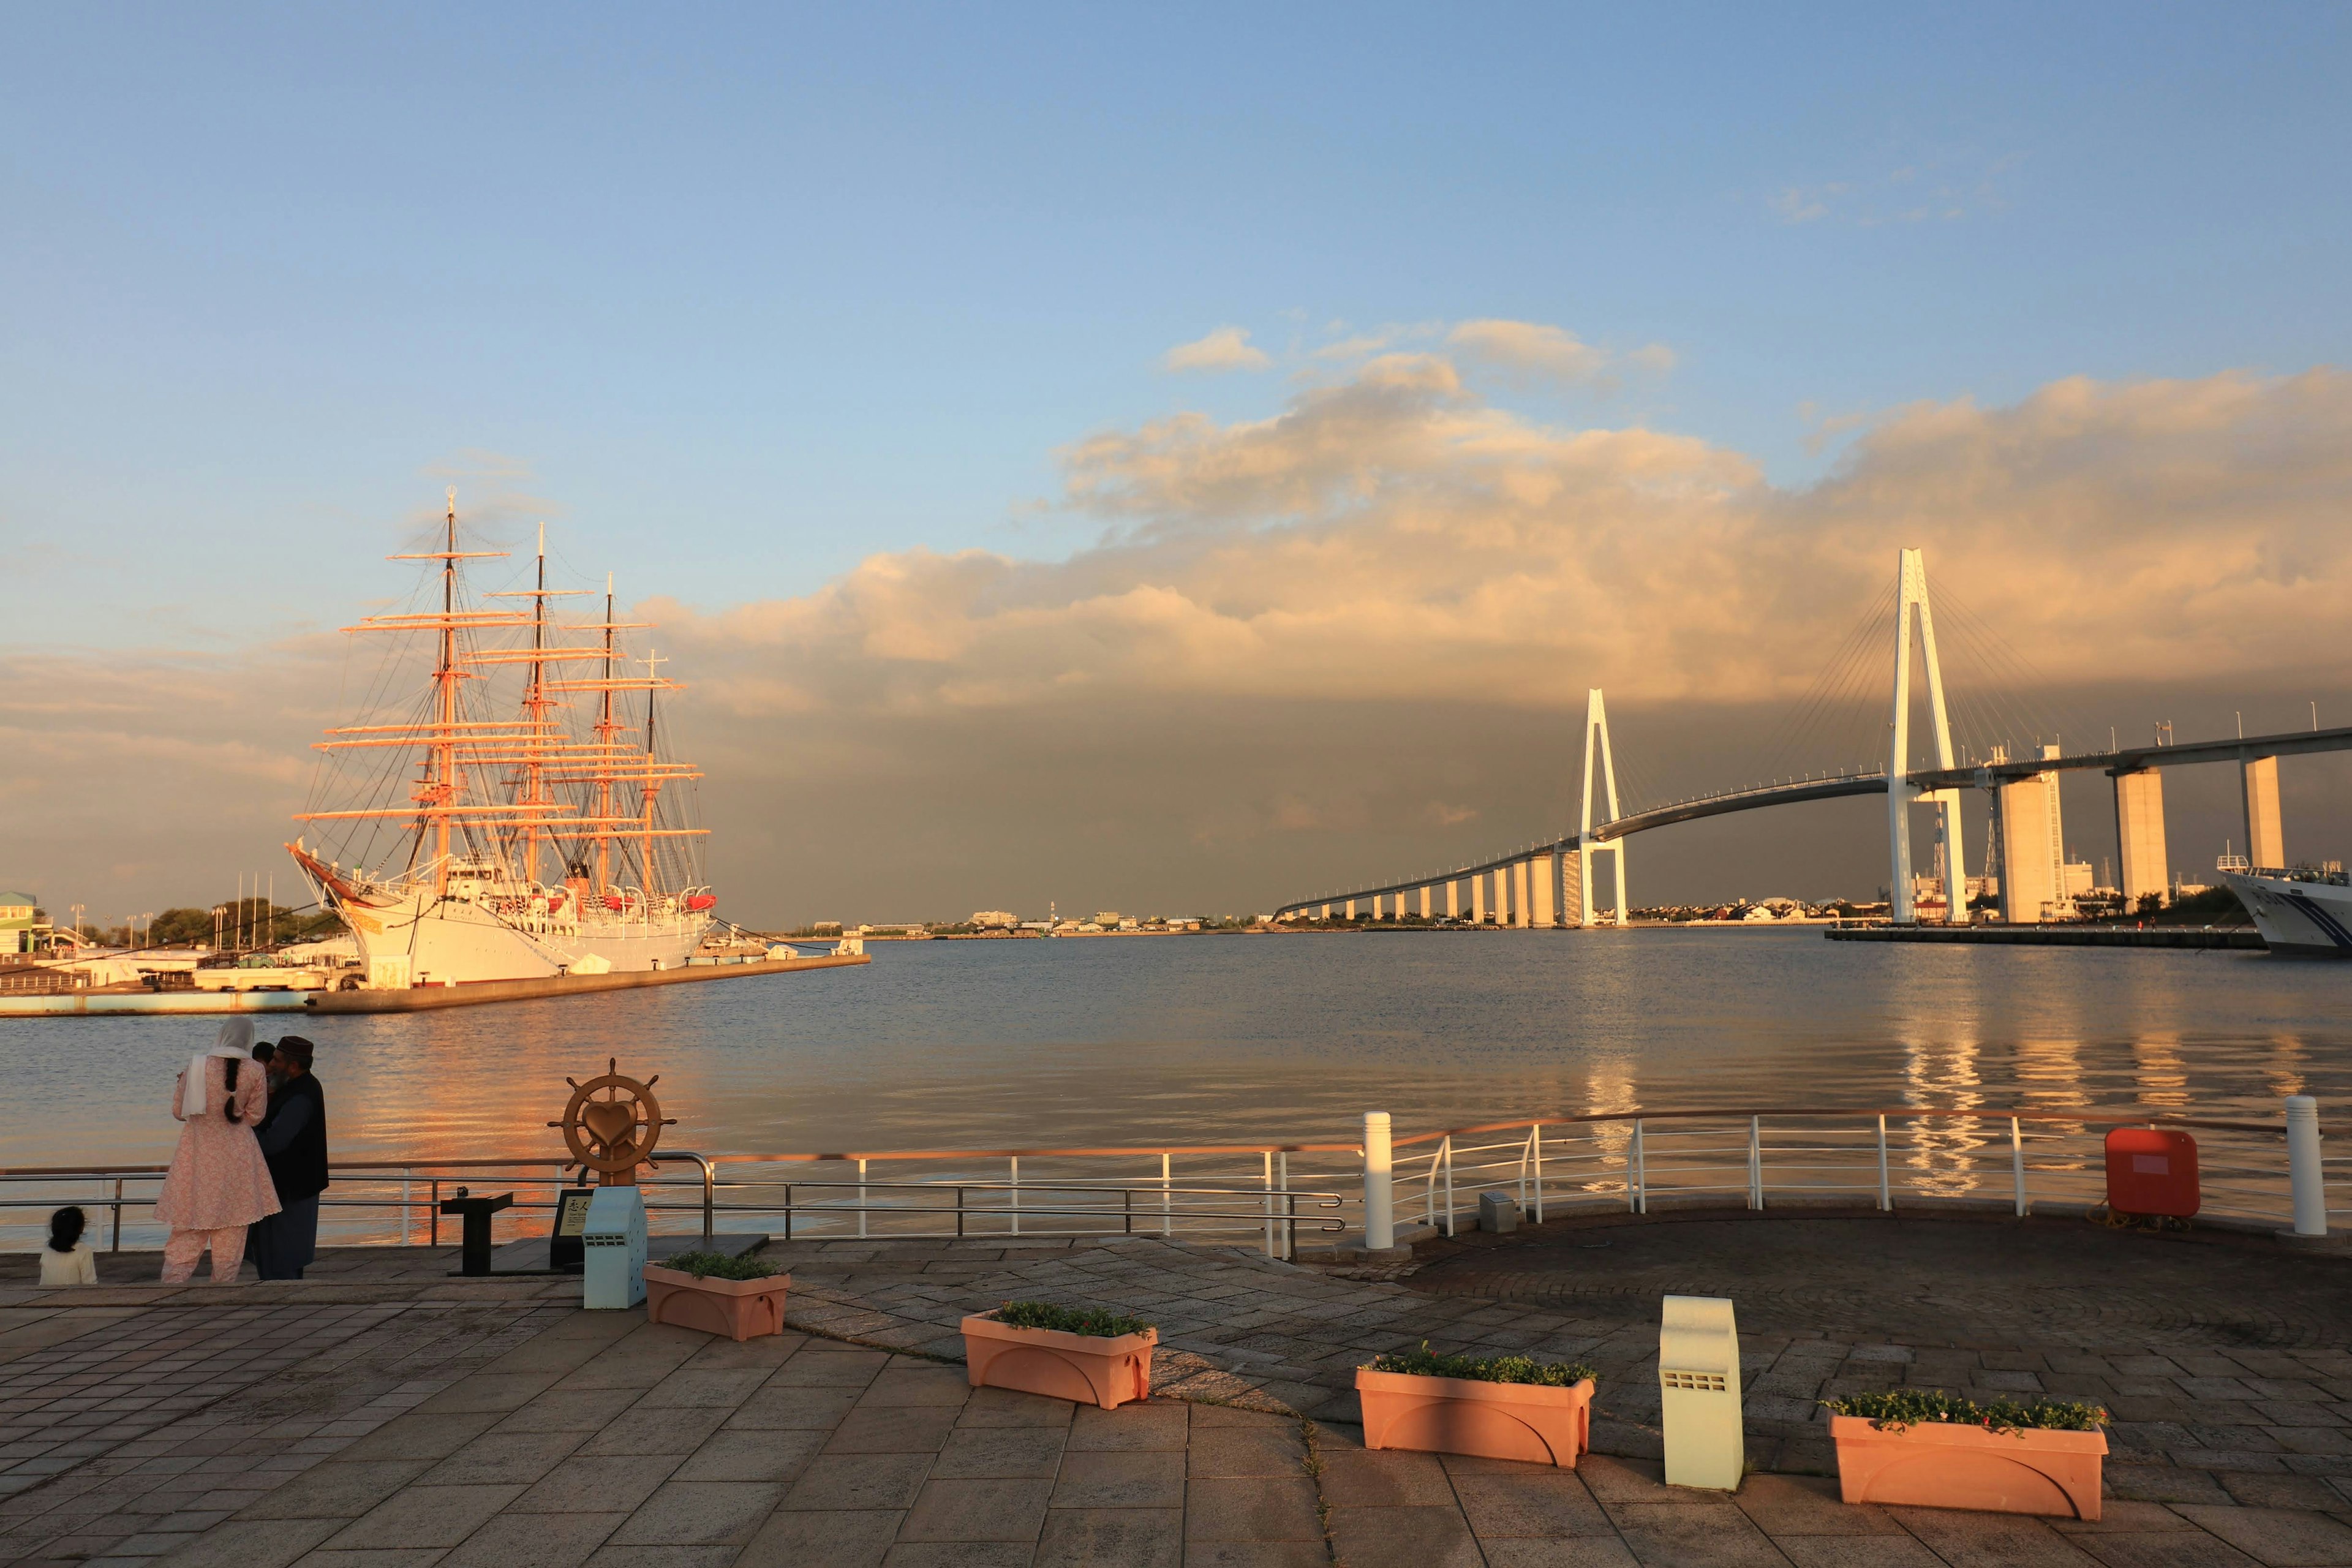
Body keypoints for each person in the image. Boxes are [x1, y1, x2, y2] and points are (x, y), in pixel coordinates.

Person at [154, 1019, 279, 1283]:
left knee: (187, 1227)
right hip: (238, 1157)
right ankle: (223, 1292)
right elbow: (256, 1116)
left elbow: (179, 1112)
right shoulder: (256, 1070)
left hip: (197, 1156)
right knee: (232, 1233)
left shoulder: (197, 1065)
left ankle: (170, 1288)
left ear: (221, 1035)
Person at [249, 1036, 327, 1280]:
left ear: (294, 1067)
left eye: (277, 1060)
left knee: (281, 1264)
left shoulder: (300, 1097)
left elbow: (274, 1142)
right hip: (289, 1190)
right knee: (282, 1261)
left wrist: (241, 1136)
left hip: (290, 1193)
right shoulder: (297, 1088)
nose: (271, 1064)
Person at [40, 1207, 98, 1287]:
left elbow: (43, 1282)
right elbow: (90, 1284)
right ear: (81, 1228)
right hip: (73, 1297)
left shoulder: (48, 1250)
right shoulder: (84, 1251)